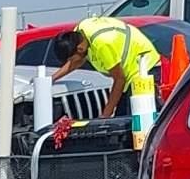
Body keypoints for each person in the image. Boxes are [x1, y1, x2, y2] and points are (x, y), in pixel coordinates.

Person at [48, 18, 162, 149]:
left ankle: (142, 158)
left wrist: (105, 116)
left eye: (71, 58)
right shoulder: (80, 34)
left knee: (132, 124)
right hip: (129, 70)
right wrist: (51, 79)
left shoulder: (102, 44)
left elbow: (119, 80)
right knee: (122, 123)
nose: (71, 61)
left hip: (143, 68)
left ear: (79, 49)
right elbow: (77, 61)